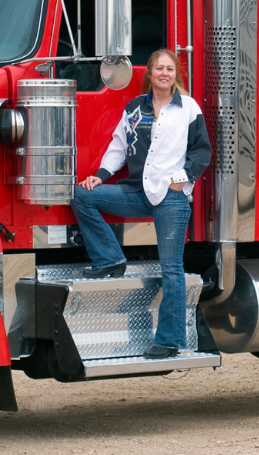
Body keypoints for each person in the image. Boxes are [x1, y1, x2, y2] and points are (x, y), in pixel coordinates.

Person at [71, 48, 212, 359]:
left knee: (171, 269)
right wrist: (100, 175)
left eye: (170, 69)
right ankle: (109, 259)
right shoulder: (135, 107)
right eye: (159, 68)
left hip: (171, 198)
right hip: (137, 192)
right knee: (83, 196)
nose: (164, 73)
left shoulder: (187, 108)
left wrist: (183, 178)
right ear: (149, 73)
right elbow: (118, 146)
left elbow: (202, 152)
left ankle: (169, 341)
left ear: (176, 75)